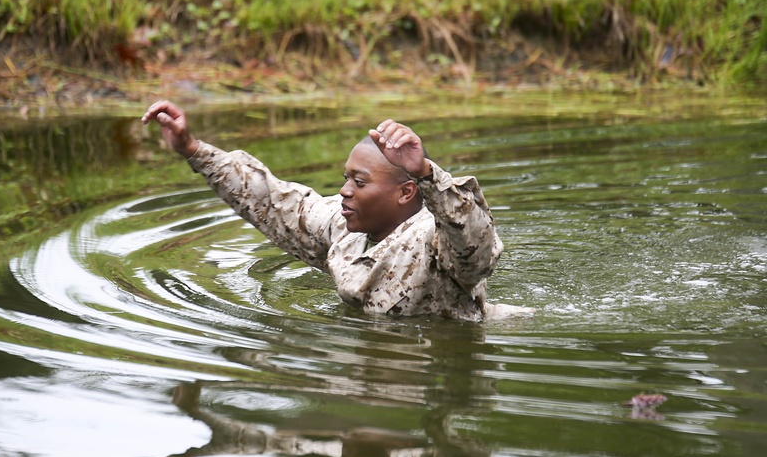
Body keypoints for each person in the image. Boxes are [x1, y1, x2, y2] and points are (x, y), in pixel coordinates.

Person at [142, 100, 521, 321]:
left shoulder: (433, 240)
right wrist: (193, 149)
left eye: (359, 182)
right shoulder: (347, 229)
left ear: (406, 193)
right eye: (346, 178)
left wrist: (426, 172)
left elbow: (476, 243)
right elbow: (275, 203)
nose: (344, 191)